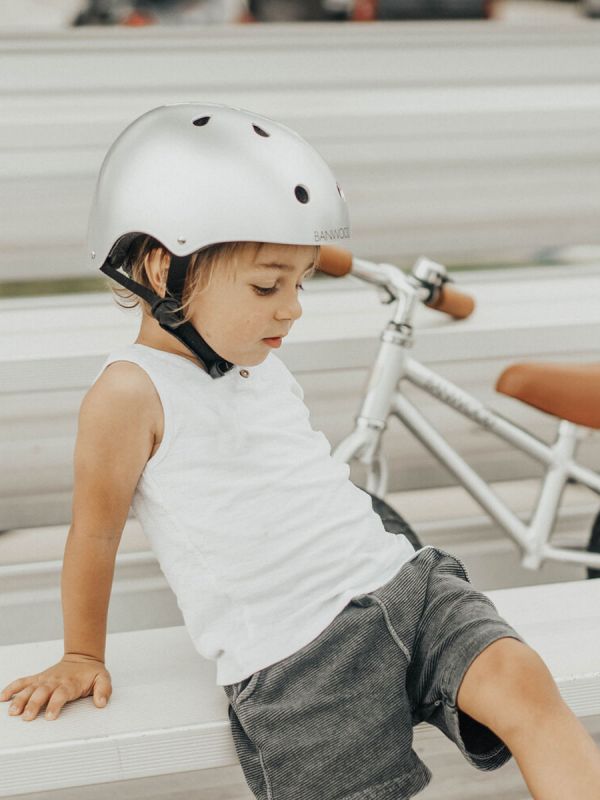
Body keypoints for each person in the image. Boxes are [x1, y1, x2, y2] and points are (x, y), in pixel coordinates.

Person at [1, 102, 599, 800]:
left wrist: (296, 246)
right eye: (266, 285)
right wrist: (81, 653)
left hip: (407, 587)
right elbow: (94, 531)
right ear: (163, 270)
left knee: (525, 686)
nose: (292, 308)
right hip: (300, 658)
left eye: (299, 282)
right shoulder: (129, 394)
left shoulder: (250, 352)